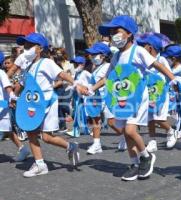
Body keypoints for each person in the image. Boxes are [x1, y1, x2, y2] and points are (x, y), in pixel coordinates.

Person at [99, 15, 175, 181]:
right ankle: (134, 163)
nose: (113, 35)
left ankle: (146, 156)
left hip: (138, 97)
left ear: (129, 33)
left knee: (130, 130)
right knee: (126, 135)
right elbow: (107, 77)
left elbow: (157, 65)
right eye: (111, 32)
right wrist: (92, 88)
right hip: (122, 98)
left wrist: (173, 78)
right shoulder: (116, 56)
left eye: (116, 31)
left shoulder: (138, 51)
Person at [14, 33, 88, 178]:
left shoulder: (46, 63)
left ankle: (68, 147)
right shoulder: (27, 66)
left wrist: (76, 84)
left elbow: (62, 75)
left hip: (48, 102)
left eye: (29, 45)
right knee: (33, 133)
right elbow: (22, 85)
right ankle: (41, 164)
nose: (25, 49)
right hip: (33, 104)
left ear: (39, 48)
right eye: (25, 46)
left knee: (46, 136)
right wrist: (13, 95)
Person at [137, 34, 178, 151]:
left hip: (161, 94)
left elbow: (170, 75)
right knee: (150, 117)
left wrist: (174, 87)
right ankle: (152, 141)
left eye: (142, 46)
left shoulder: (161, 60)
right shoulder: (143, 61)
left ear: (150, 47)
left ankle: (171, 131)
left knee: (158, 118)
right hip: (148, 92)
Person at [84, 42, 127, 154]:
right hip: (97, 99)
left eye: (94, 55)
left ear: (102, 56)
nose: (92, 57)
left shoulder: (108, 66)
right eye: (91, 55)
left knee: (111, 122)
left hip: (108, 98)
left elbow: (104, 80)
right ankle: (97, 144)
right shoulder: (95, 68)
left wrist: (92, 88)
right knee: (95, 120)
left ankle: (125, 136)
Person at [0, 51, 30, 161]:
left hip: (2, 104)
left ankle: (23, 148)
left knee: (7, 129)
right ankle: (22, 148)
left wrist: (12, 96)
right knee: (8, 130)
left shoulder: (1, 73)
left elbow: (7, 86)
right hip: (2, 104)